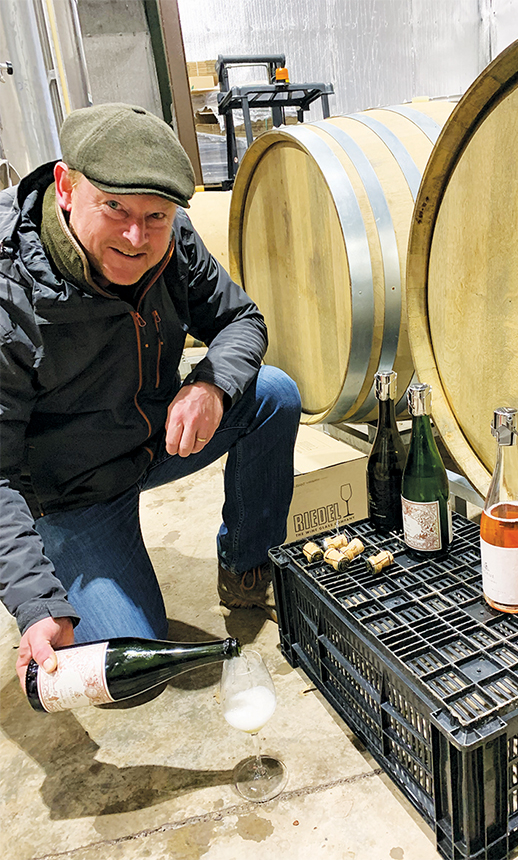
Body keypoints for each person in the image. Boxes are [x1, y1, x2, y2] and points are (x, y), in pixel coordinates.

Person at [0, 103, 301, 684]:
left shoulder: (172, 240)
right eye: (114, 208)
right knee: (130, 664)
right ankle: (49, 566)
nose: (136, 238)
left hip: (151, 437)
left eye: (155, 215)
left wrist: (211, 384)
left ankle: (245, 564)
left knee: (272, 395)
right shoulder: (10, 293)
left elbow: (243, 320)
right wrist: (37, 601)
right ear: (66, 187)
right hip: (71, 493)